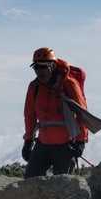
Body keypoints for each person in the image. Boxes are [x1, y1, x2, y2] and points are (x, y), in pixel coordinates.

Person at [22, 46, 89, 177]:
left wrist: (81, 141)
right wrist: (28, 141)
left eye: (43, 67)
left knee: (63, 186)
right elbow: (29, 115)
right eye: (36, 67)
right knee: (30, 181)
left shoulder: (69, 84)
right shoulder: (34, 87)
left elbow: (82, 113)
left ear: (52, 66)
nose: (39, 71)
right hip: (42, 144)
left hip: (66, 146)